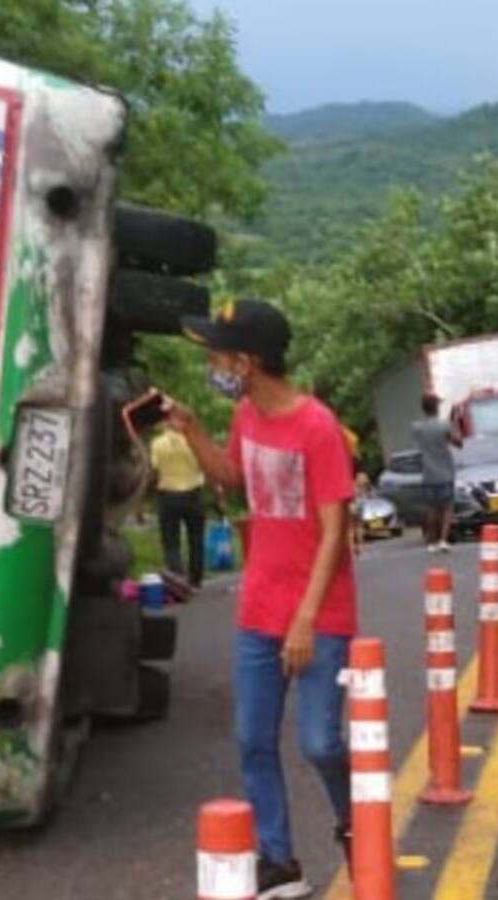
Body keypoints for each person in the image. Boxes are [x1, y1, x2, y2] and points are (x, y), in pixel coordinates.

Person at [166, 299, 355, 898]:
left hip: (318, 611)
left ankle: (359, 820)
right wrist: (192, 429)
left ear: (246, 361)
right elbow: (231, 478)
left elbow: (334, 531)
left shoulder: (318, 427)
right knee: (253, 739)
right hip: (259, 608)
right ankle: (278, 857)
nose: (214, 363)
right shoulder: (247, 414)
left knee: (320, 742)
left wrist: (304, 620)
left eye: (219, 353)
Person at [149, 423, 207, 588]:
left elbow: (154, 471)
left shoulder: (157, 443)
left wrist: (146, 495)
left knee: (171, 540)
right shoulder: (193, 441)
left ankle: (177, 578)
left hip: (168, 497)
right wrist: (218, 495)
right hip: (194, 495)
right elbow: (206, 466)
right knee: (196, 539)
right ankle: (196, 579)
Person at [413, 393, 463, 553]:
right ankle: (443, 540)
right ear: (436, 407)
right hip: (445, 472)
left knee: (432, 509)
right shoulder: (445, 425)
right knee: (447, 508)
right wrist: (454, 425)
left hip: (428, 473)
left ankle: (431, 541)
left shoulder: (417, 427)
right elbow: (458, 443)